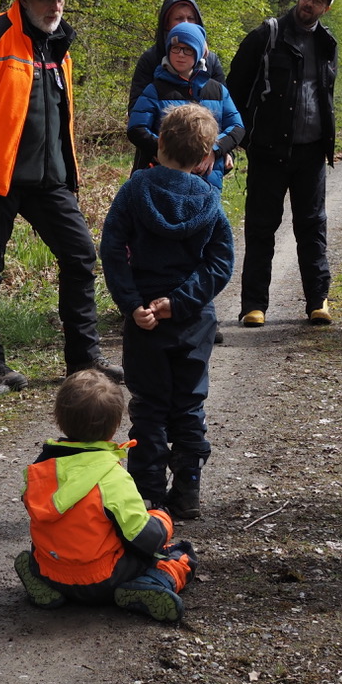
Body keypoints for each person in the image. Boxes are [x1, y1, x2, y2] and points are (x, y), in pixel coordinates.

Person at [0, 0, 119, 392]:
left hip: (49, 180)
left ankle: (84, 359)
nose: (55, 6)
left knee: (80, 257)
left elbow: (62, 112)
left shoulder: (61, 43)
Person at [100, 104, 234, 517]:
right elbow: (219, 264)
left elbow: (112, 251)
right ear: (206, 157)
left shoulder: (135, 190)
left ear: (158, 144)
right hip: (192, 320)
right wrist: (180, 302)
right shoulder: (210, 200)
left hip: (145, 321)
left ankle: (148, 495)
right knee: (188, 405)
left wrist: (133, 303)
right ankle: (187, 490)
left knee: (149, 407)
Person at [14, 369, 197, 622]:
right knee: (180, 554)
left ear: (59, 419)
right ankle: (152, 583)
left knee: (49, 543)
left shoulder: (40, 469)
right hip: (102, 580)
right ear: (114, 428)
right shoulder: (112, 478)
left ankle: (40, 579)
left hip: (50, 570)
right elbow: (146, 538)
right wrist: (161, 518)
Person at [226, 0, 338, 327]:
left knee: (312, 227)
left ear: (326, 7)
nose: (309, 2)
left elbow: (324, 95)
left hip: (311, 153)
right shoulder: (267, 35)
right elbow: (233, 89)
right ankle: (253, 305)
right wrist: (241, 138)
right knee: (261, 228)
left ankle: (318, 300)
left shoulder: (327, 44)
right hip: (268, 152)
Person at [127, 21, 244, 188]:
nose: (180, 54)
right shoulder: (155, 89)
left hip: (207, 180)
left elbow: (237, 127)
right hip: (165, 180)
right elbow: (136, 128)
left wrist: (214, 151)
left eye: (188, 49)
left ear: (197, 54)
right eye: (176, 48)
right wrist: (168, 154)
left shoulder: (217, 90)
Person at [127, 0, 226, 173]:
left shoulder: (211, 61)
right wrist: (164, 150)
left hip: (203, 164)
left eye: (191, 18)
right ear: (166, 24)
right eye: (179, 18)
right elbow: (136, 113)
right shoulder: (151, 59)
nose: (185, 23)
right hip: (156, 159)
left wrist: (221, 151)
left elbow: (225, 114)